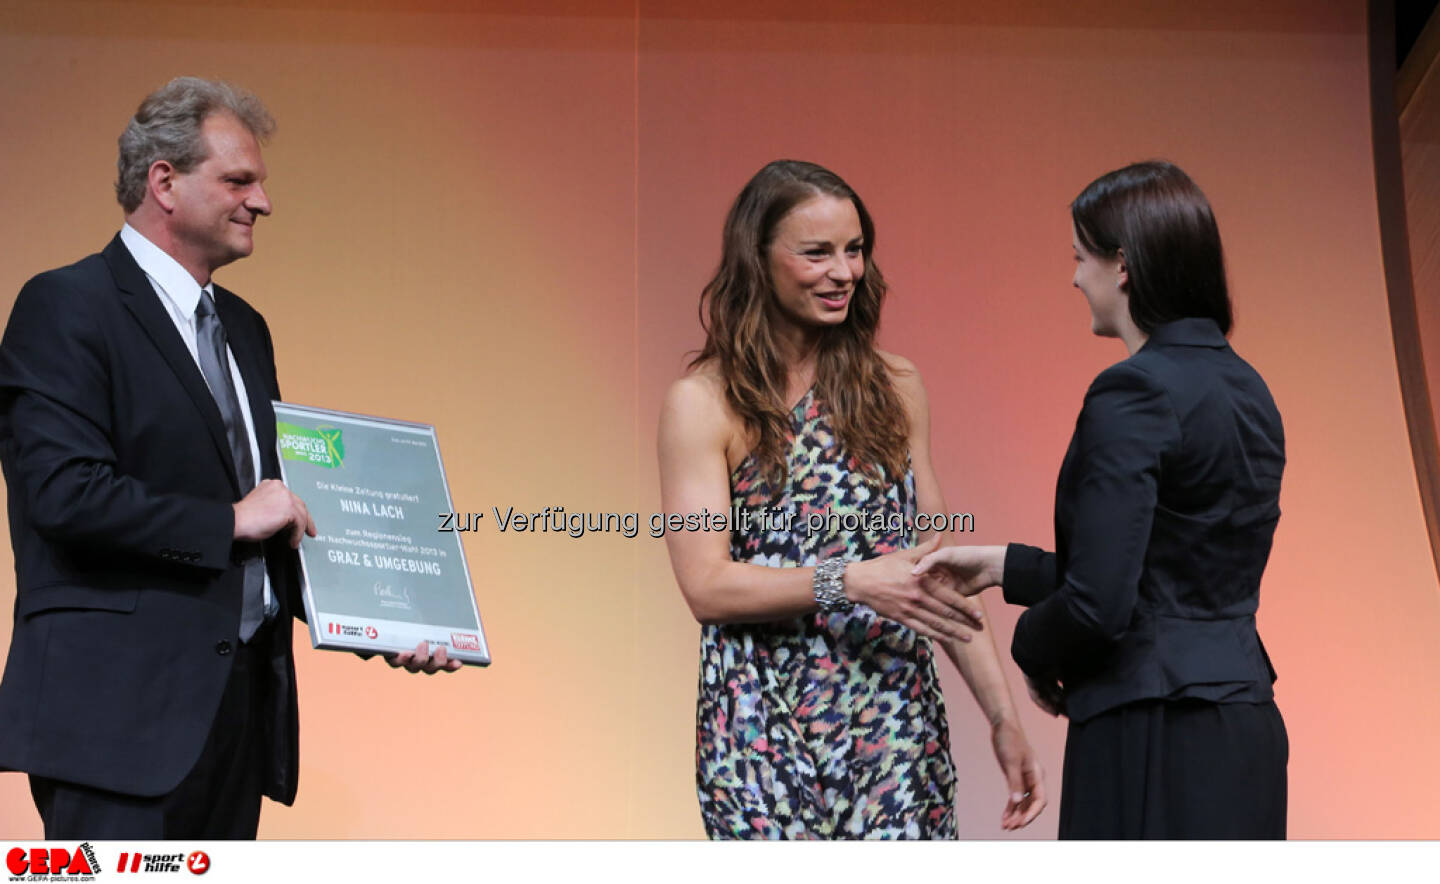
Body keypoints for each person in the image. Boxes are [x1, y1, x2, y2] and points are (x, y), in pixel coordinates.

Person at [0, 77, 457, 840]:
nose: (262, 203)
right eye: (240, 180)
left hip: (236, 715)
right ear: (165, 183)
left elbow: (279, 513)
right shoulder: (66, 306)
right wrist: (230, 518)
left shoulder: (244, 327)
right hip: (119, 723)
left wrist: (381, 619)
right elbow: (64, 495)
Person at [657, 159, 1045, 839]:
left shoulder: (896, 386)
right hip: (760, 730)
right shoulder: (704, 403)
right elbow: (706, 586)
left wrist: (1003, 717)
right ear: (758, 258)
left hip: (893, 725)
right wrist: (851, 581)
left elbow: (939, 566)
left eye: (855, 250)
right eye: (817, 253)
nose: (844, 272)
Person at [914, 160, 1287, 839]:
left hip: (1151, 731)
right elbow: (1170, 576)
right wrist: (1007, 565)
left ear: (1122, 265)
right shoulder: (1246, 386)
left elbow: (1100, 607)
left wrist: (1032, 647)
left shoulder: (1133, 392)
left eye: (1080, 257)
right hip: (1243, 731)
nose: (1074, 277)